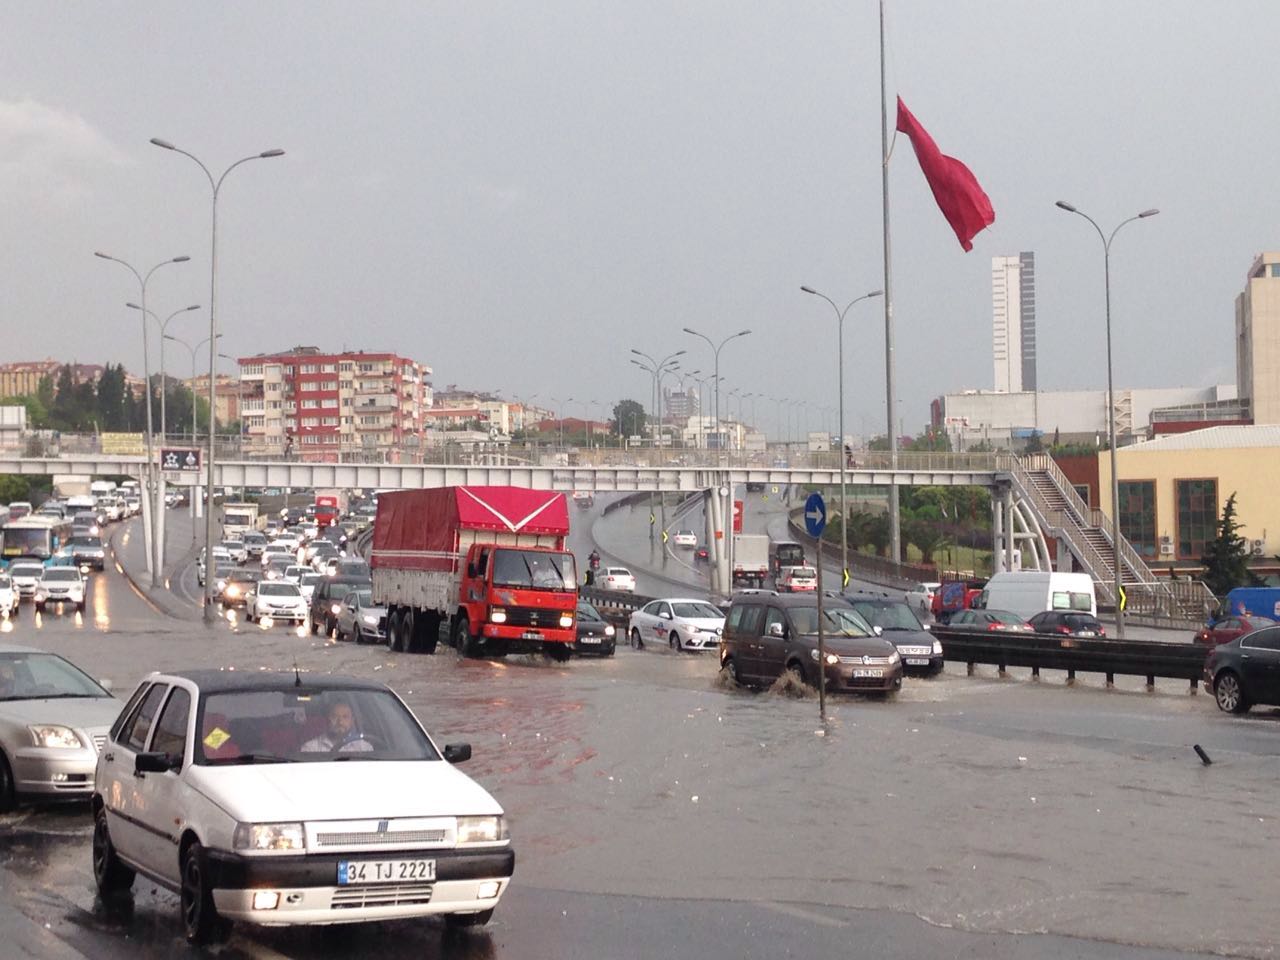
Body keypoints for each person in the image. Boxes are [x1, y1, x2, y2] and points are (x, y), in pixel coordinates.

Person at [301, 700, 374, 754]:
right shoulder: (311, 748)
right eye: (334, 717)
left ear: (352, 721)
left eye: (345, 717)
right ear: (327, 719)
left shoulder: (364, 748)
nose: (340, 722)